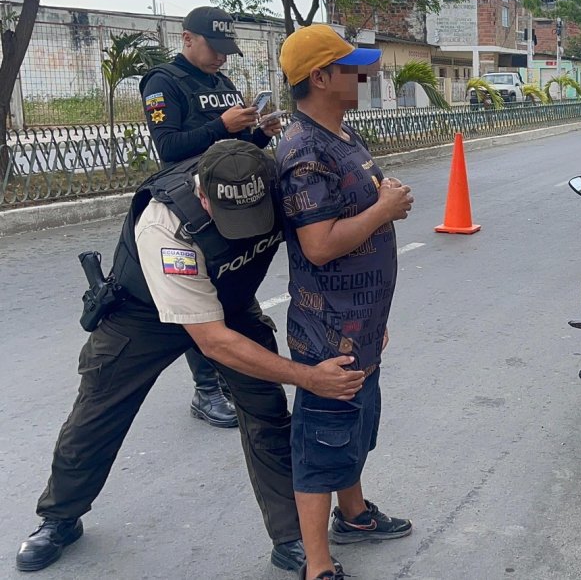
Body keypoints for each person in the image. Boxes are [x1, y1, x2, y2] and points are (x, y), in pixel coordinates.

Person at [15, 141, 365, 573]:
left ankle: (292, 537)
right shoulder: (165, 223)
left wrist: (360, 317)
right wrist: (308, 377)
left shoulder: (280, 182)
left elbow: (323, 248)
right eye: (231, 217)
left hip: (229, 304)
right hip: (143, 315)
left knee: (268, 415)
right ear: (202, 195)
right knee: (98, 411)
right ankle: (59, 518)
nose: (245, 229)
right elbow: (213, 341)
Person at [275, 24, 415, 580]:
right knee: (322, 443)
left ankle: (353, 515)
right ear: (320, 77)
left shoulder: (342, 135)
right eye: (351, 68)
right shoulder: (303, 150)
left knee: (354, 430)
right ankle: (317, 565)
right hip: (327, 334)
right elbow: (319, 244)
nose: (362, 75)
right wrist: (384, 210)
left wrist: (381, 198)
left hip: (360, 326)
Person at [140, 5, 286, 429]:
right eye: (214, 48)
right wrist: (222, 124)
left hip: (229, 204)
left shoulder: (221, 83)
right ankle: (206, 390)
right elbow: (169, 148)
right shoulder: (163, 82)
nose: (221, 57)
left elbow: (233, 152)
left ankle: (225, 378)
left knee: (227, 291)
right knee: (197, 299)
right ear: (187, 39)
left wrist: (259, 134)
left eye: (226, 49)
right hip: (187, 208)